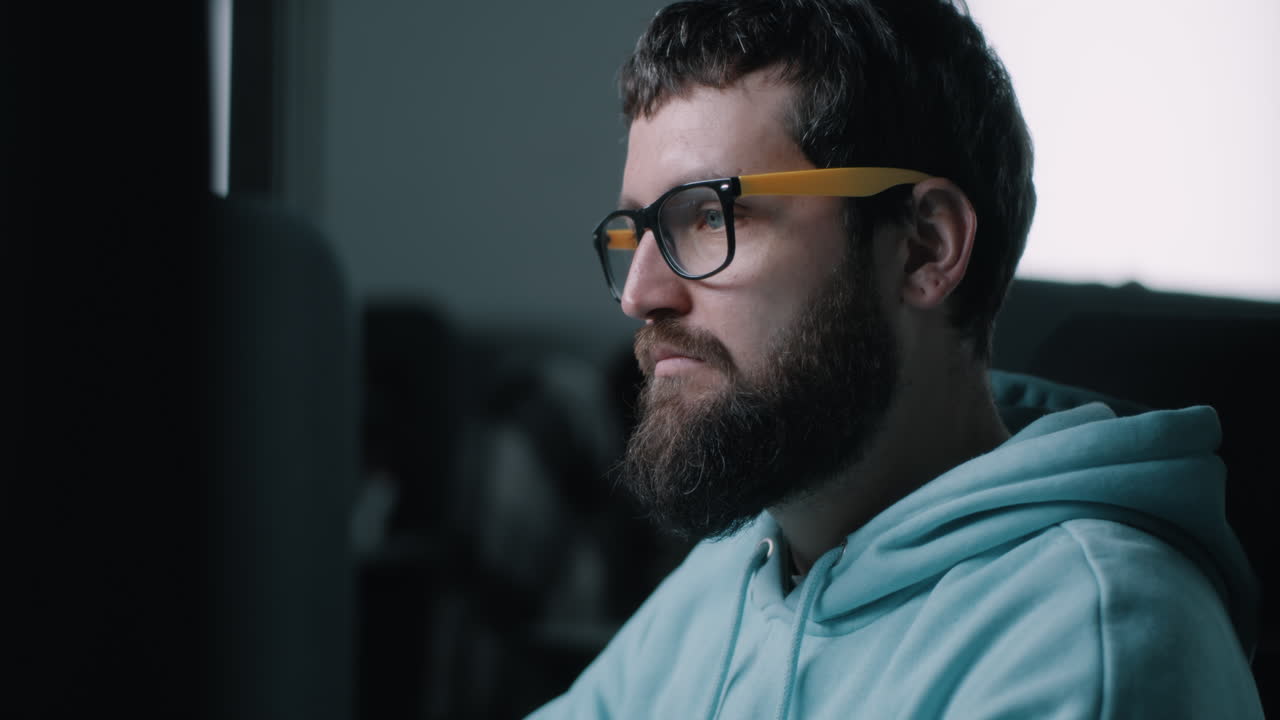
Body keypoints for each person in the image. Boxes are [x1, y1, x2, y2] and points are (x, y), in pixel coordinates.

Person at [531, 0, 1264, 717]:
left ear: (923, 247)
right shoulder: (742, 567)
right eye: (637, 232)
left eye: (711, 216)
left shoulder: (1088, 647)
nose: (639, 293)